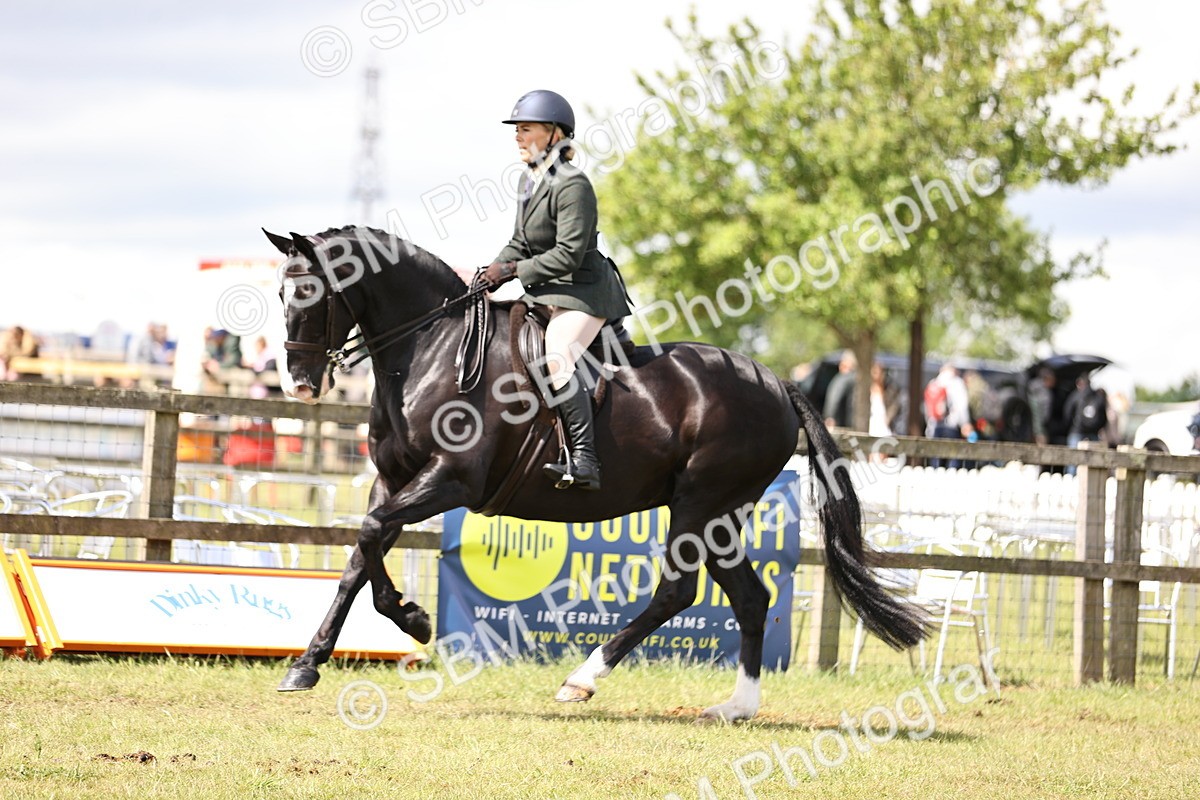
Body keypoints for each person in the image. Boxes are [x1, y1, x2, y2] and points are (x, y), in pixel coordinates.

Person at [462, 89, 632, 491]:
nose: (518, 137)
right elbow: (520, 242)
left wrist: (515, 269)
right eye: (516, 130)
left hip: (583, 294)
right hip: (546, 293)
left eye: (526, 129)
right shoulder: (529, 181)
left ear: (555, 134)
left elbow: (569, 255)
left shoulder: (573, 185)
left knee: (556, 356)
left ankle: (586, 460)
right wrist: (490, 272)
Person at [924, 363, 972, 468]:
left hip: (935, 425)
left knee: (936, 456)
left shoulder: (934, 382)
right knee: (953, 454)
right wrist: (965, 423)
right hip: (951, 424)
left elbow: (927, 406)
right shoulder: (957, 383)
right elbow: (962, 406)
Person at [1063, 374, 1108, 474]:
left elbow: (1067, 413)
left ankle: (1071, 479)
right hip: (1093, 433)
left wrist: (1070, 427)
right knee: (1094, 461)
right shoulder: (1097, 396)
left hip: (1077, 431)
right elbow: (1104, 417)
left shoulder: (1075, 395)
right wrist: (1097, 429)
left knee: (1073, 460)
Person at [822, 350, 857, 429]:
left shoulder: (843, 378)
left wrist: (830, 416)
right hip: (854, 423)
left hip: (841, 423)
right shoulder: (860, 379)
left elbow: (834, 398)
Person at [868, 362, 903, 437]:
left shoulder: (889, 388)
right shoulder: (867, 389)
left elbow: (894, 406)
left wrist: (888, 419)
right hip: (871, 422)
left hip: (885, 423)